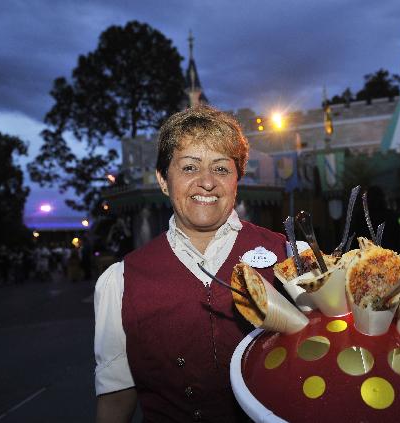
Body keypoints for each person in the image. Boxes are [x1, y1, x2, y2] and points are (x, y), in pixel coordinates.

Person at [94, 105, 287, 422]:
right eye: (189, 168)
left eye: (222, 169)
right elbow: (116, 400)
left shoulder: (288, 255)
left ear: (237, 179)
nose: (207, 182)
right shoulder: (122, 281)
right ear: (163, 180)